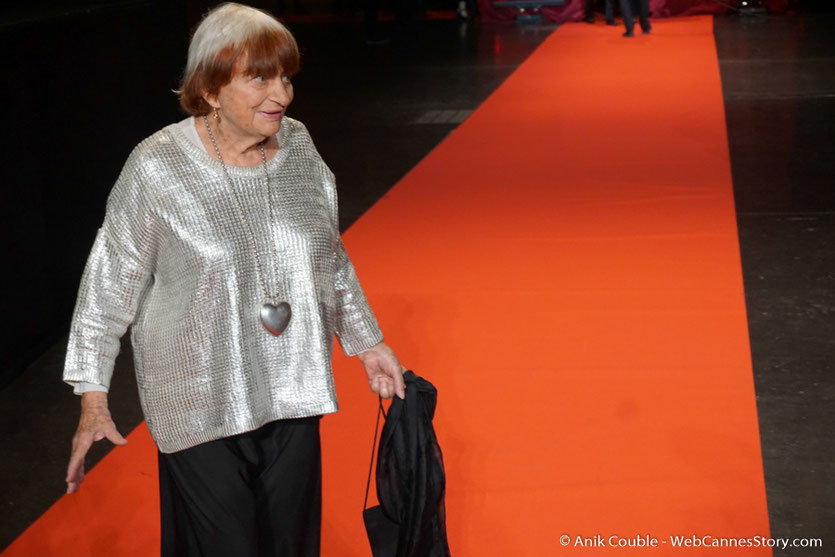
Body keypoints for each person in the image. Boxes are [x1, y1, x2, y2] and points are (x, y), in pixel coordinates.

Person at [62, 3, 406, 556]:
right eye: (260, 78)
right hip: (196, 398)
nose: (282, 95)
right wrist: (92, 398)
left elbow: (327, 258)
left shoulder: (298, 147)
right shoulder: (157, 167)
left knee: (289, 545)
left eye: (287, 77)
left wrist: (368, 342)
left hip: (291, 384)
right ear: (210, 89)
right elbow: (108, 284)